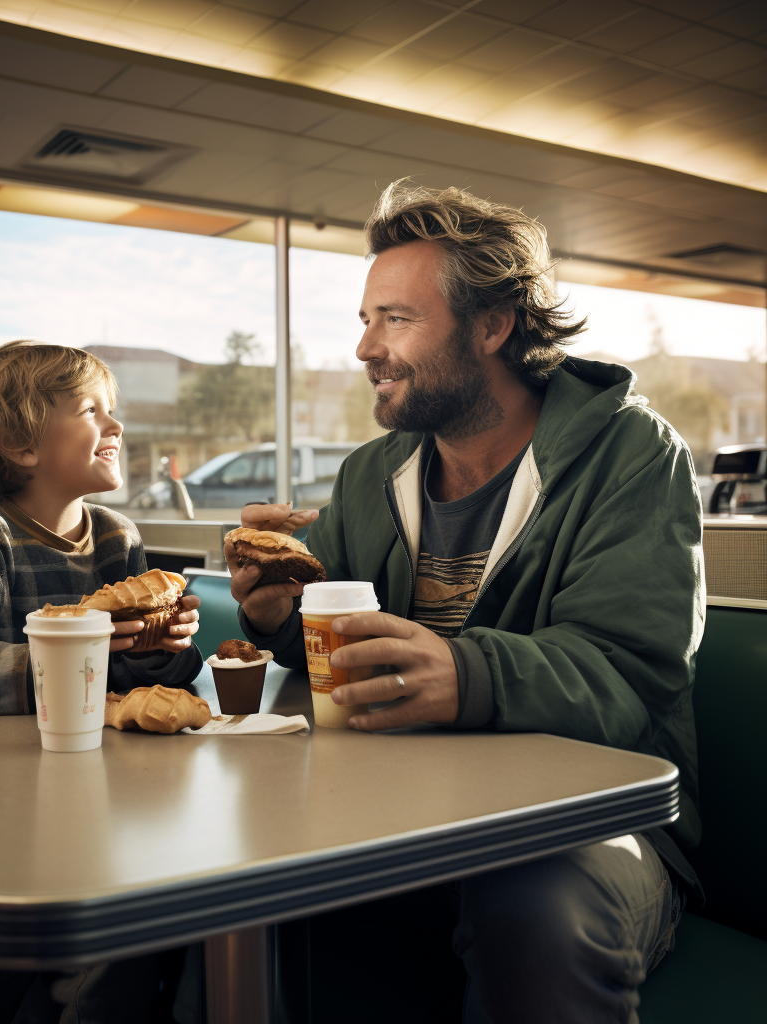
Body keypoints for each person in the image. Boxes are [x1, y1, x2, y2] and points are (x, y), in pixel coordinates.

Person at [227, 182, 702, 1024]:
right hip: (401, 815)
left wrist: (467, 672)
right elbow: (340, 654)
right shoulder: (369, 475)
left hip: (587, 828)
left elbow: (632, 677)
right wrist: (275, 620)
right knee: (226, 876)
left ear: (492, 325)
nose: (367, 348)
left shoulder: (631, 454)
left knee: (536, 903)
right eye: (366, 319)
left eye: (396, 319)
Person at [0, 340, 203, 1023]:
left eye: (114, 411)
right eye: (93, 411)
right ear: (25, 446)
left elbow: (137, 681)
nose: (117, 427)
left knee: (128, 957)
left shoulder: (117, 539)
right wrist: (64, 662)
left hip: (97, 823)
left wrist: (161, 649)